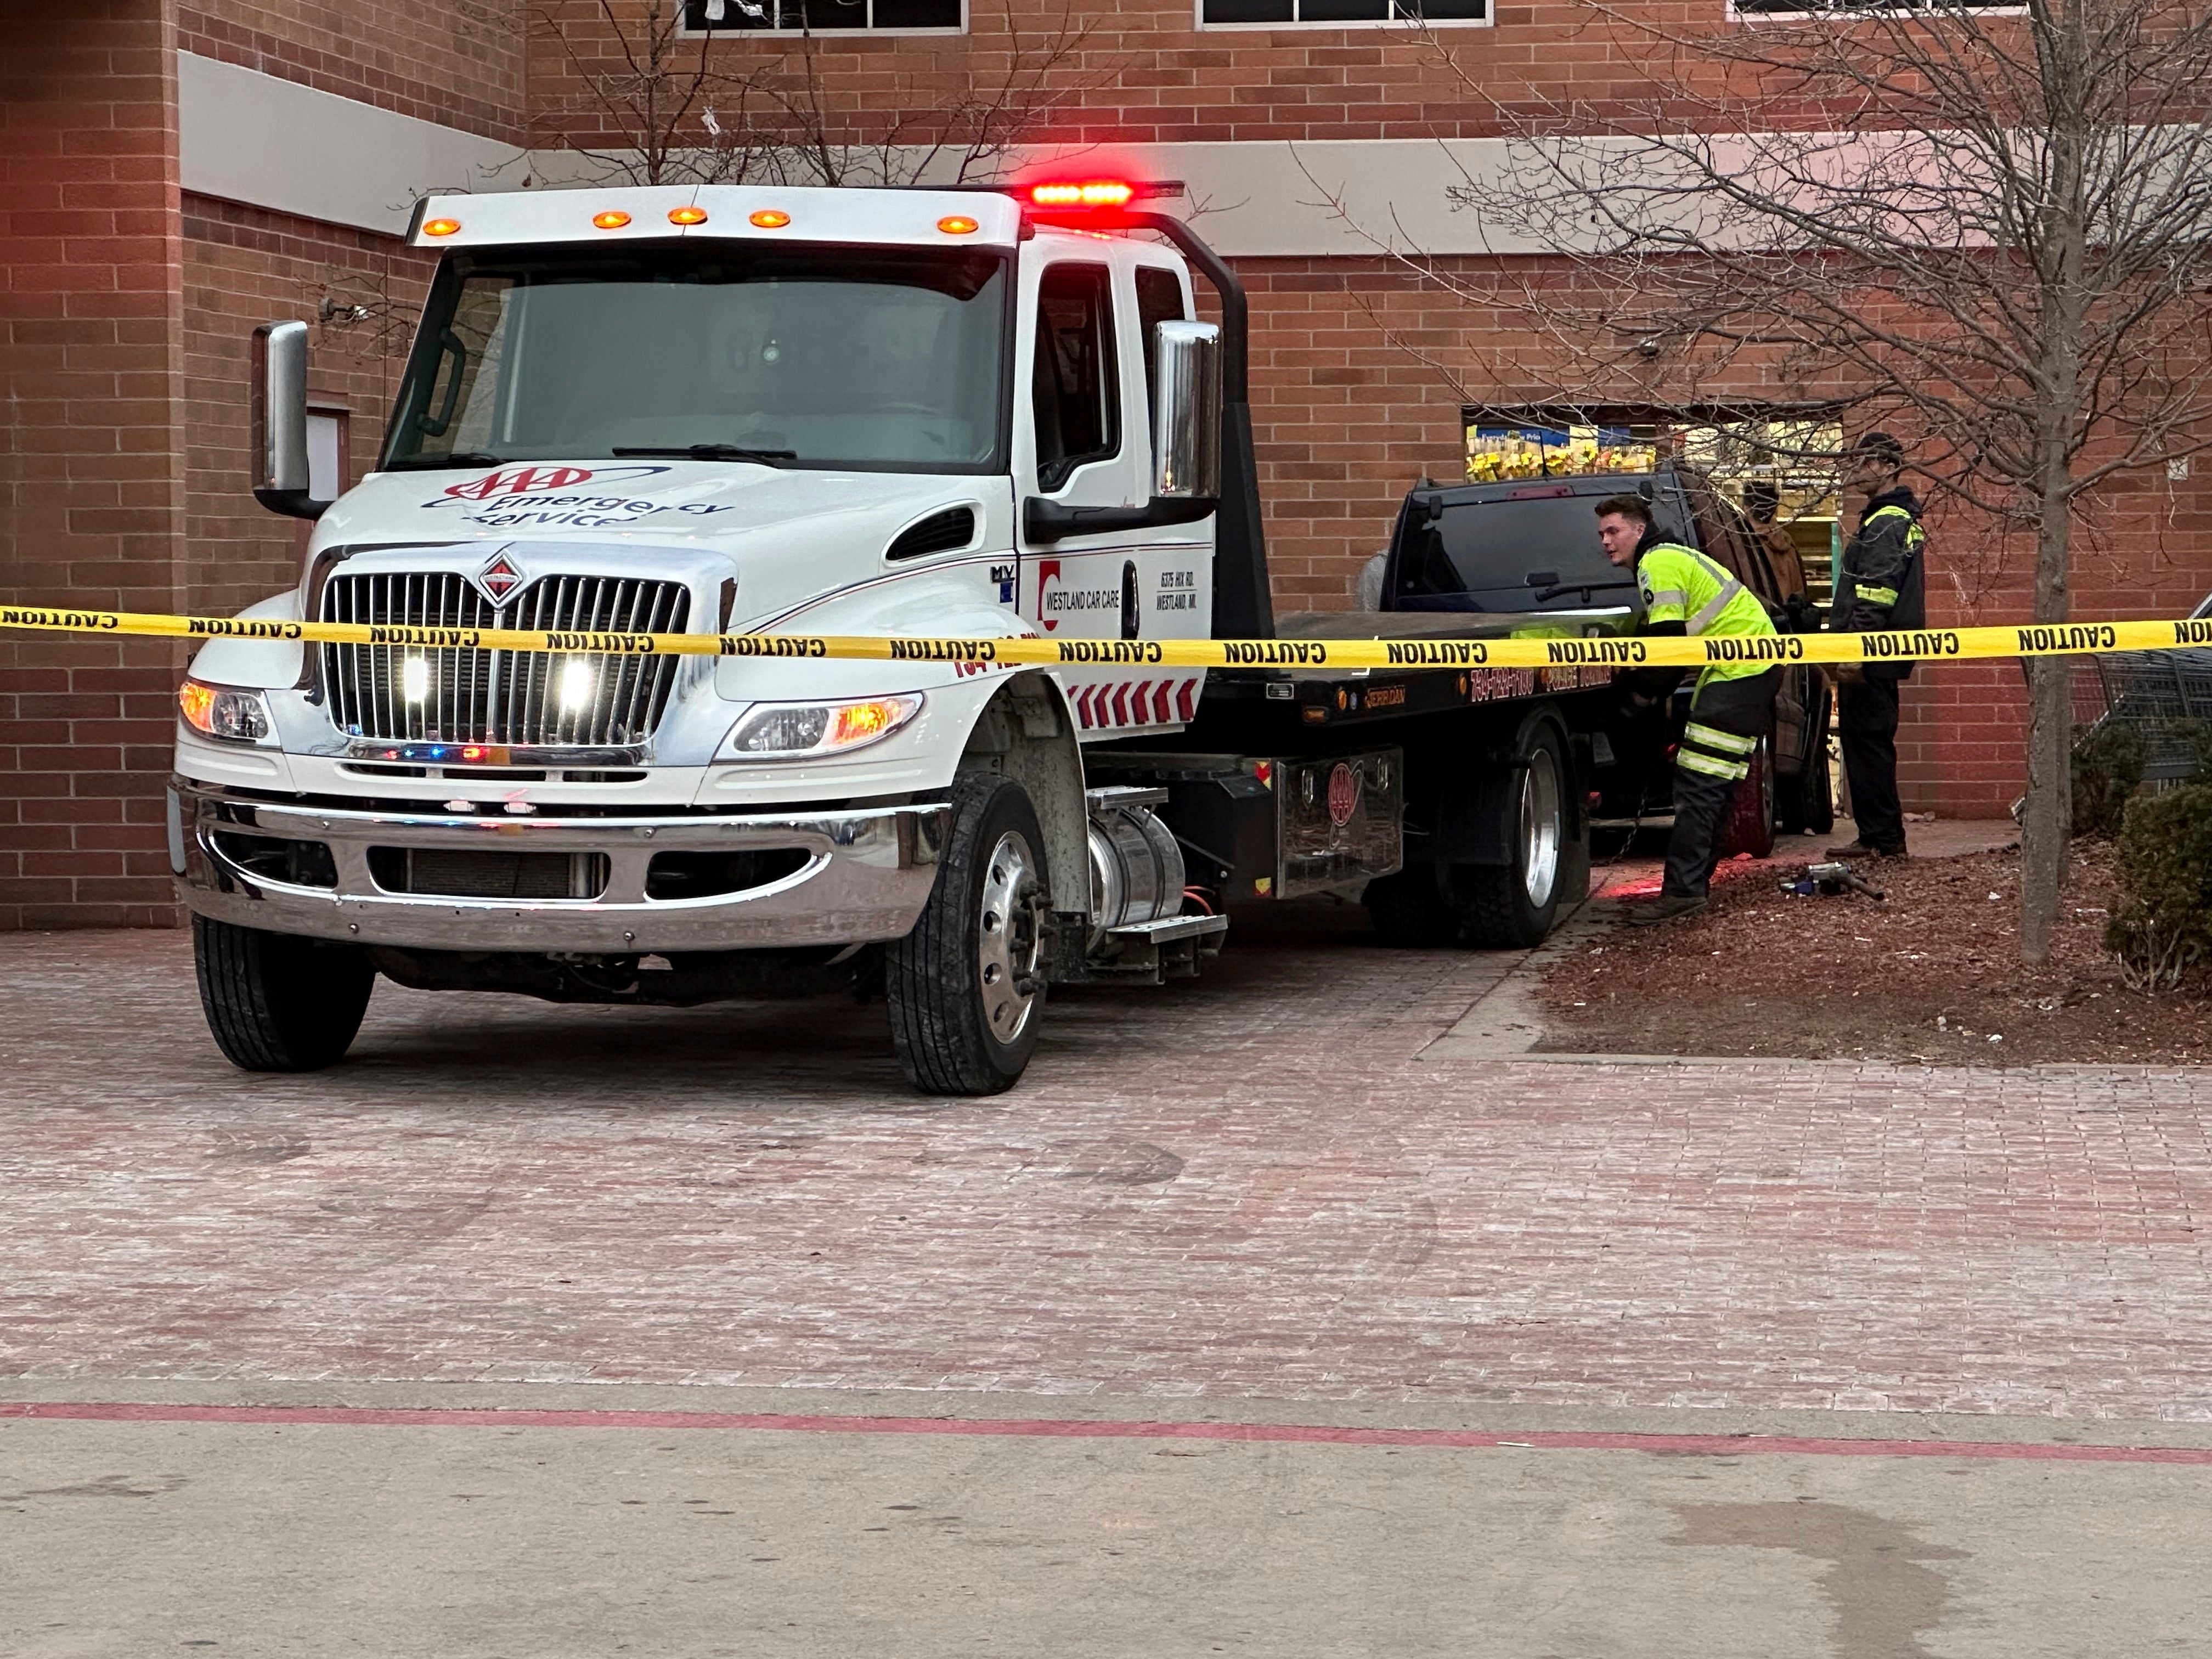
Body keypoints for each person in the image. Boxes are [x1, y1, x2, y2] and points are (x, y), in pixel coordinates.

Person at [1596, 493, 1785, 923]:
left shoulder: (1657, 564)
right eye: (1602, 534)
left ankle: (1683, 892)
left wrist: (1640, 695)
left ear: (1639, 530)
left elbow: (1667, 647)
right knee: (1715, 789)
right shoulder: (1674, 556)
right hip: (1748, 671)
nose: (1606, 542)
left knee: (1699, 788)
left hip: (1739, 673)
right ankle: (1691, 887)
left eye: (1614, 531)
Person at [1825, 433, 1927, 859]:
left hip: (1871, 655)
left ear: (1887, 467)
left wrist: (1854, 649)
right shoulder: (1890, 518)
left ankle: (1882, 839)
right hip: (1879, 653)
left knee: (1867, 744)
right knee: (1869, 743)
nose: (1854, 468)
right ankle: (1879, 836)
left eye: (1863, 461)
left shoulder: (1886, 521)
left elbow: (1876, 593)